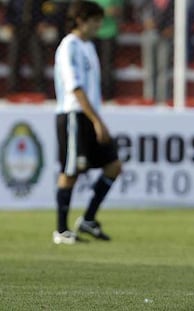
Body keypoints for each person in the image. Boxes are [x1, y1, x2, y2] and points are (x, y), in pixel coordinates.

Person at [53, 0, 122, 245]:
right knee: (70, 172)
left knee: (113, 166)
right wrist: (97, 121)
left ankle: (88, 220)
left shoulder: (88, 46)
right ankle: (61, 230)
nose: (98, 25)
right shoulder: (68, 46)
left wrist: (97, 119)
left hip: (90, 115)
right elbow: (75, 88)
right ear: (81, 20)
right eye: (95, 21)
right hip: (74, 116)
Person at [4, 0, 58, 94]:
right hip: (17, 29)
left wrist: (43, 22)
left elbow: (47, 10)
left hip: (34, 29)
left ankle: (40, 90)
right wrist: (9, 24)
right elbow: (8, 12)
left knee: (38, 60)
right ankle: (12, 90)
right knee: (13, 59)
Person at [140, 0, 174, 103]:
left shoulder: (173, 2)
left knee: (163, 68)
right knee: (150, 68)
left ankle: (162, 99)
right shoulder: (146, 2)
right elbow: (139, 11)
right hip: (150, 33)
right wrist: (144, 21)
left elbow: (176, 15)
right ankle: (149, 98)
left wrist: (172, 27)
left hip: (166, 35)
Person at [91, 0, 124, 100]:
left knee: (107, 65)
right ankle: (93, 92)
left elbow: (118, 10)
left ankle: (107, 94)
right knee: (92, 65)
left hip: (109, 32)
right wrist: (103, 12)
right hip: (92, 32)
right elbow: (85, 10)